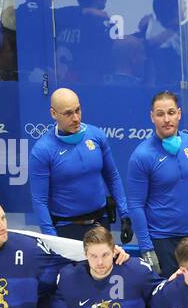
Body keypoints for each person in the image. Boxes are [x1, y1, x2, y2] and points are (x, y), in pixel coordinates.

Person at [124, 90, 188, 276]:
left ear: (179, 114)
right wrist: (146, 248)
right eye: (160, 114)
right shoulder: (141, 156)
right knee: (168, 299)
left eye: (171, 112)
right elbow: (136, 205)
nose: (166, 119)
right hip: (162, 241)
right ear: (152, 117)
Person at [28, 87, 131, 242]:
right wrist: (51, 238)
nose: (76, 118)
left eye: (78, 110)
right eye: (68, 113)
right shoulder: (42, 150)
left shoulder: (96, 136)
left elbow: (112, 176)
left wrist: (125, 215)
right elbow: (39, 200)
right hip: (66, 228)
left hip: (100, 223)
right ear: (53, 113)